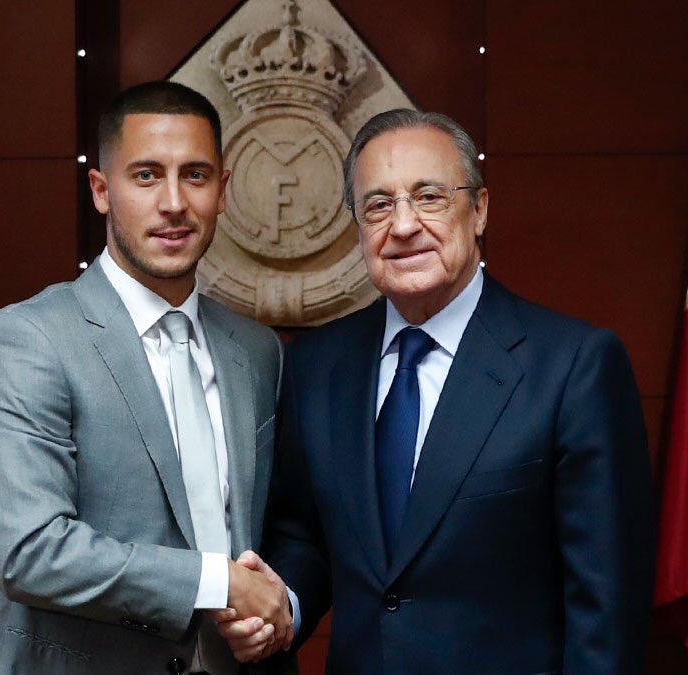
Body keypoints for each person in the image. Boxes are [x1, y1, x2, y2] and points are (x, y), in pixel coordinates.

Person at [220, 109, 655, 673]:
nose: (402, 226)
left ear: (479, 210)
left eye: (428, 197)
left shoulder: (573, 366)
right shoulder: (318, 365)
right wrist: (284, 609)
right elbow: (305, 535)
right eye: (378, 205)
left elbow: (607, 608)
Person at [0, 81, 293, 675]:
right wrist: (215, 581)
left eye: (195, 175)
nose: (173, 203)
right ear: (101, 190)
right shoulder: (26, 340)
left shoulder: (256, 349)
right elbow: (29, 552)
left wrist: (275, 610)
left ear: (223, 189)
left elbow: (272, 529)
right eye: (145, 175)